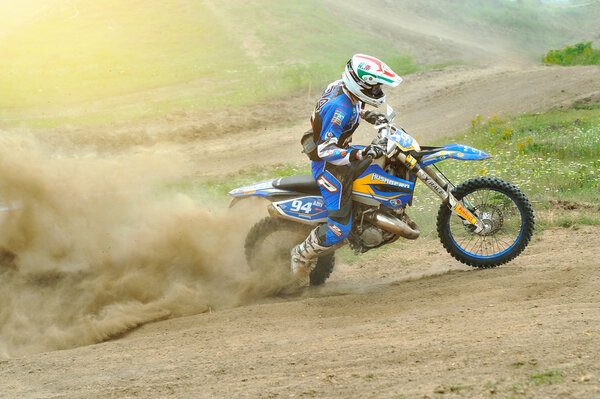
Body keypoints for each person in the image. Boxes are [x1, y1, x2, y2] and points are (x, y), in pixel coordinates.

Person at [291, 53, 403, 286]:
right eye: (373, 87)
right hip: (329, 166)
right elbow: (325, 151)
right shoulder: (338, 109)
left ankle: (370, 214)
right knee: (339, 229)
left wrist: (371, 116)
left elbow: (355, 108)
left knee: (381, 163)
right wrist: (361, 153)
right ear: (359, 83)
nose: (377, 91)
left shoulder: (342, 88)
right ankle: (300, 254)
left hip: (341, 152)